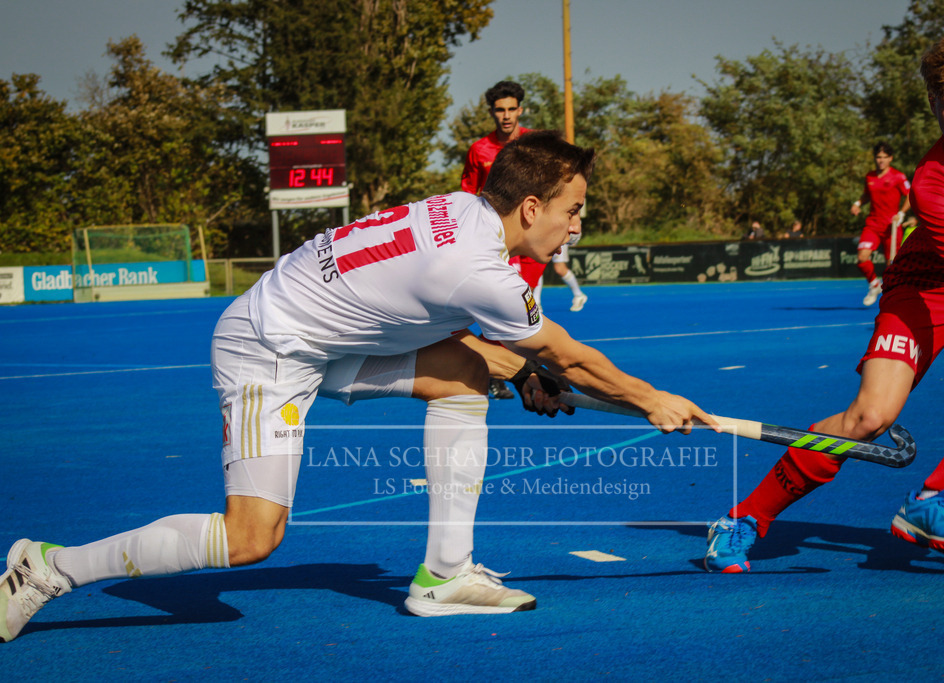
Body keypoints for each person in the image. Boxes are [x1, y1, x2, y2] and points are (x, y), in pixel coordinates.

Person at [0, 132, 717, 640]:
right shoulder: (482, 270)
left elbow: (453, 323)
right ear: (531, 207)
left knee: (468, 373)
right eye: (573, 210)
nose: (575, 227)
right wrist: (651, 399)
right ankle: (48, 568)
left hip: (326, 340)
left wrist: (524, 369)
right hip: (269, 348)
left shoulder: (463, 211)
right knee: (252, 537)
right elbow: (573, 358)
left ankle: (444, 577)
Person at [704, 34, 944, 573]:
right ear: (932, 105)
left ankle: (932, 501)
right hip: (926, 295)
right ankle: (744, 518)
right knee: (870, 417)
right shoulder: (933, 182)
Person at [462, 80, 545, 397]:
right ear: (492, 112)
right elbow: (468, 195)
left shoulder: (536, 145)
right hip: (495, 241)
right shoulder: (478, 150)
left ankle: (496, 367)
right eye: (500, 110)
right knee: (505, 304)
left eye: (511, 109)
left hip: (531, 241)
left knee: (522, 306)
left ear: (520, 110)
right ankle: (495, 369)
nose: (506, 115)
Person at [850, 141, 912, 306]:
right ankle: (874, 285)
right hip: (873, 225)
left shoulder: (898, 176)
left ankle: (895, 301)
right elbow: (866, 195)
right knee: (862, 257)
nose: (881, 160)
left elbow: (910, 195)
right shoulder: (869, 176)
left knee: (891, 266)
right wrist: (858, 203)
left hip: (892, 227)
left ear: (890, 158)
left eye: (884, 157)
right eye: (878, 157)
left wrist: (901, 213)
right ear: (874, 158)